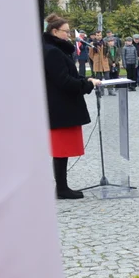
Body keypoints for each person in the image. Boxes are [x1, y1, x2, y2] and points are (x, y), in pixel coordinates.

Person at [42, 15, 102, 200]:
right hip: (60, 106)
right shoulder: (52, 51)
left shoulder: (55, 49)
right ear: (54, 32)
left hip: (62, 105)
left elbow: (68, 76)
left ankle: (62, 186)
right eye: (66, 31)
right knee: (60, 151)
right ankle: (61, 188)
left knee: (62, 151)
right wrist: (87, 85)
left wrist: (85, 80)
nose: (69, 35)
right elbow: (63, 81)